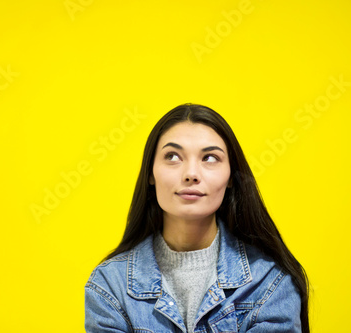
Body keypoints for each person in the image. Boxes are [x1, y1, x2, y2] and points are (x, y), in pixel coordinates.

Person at [84, 104, 309, 332]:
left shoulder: (270, 282)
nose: (191, 174)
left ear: (231, 176)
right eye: (172, 156)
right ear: (150, 173)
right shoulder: (110, 285)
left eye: (210, 158)